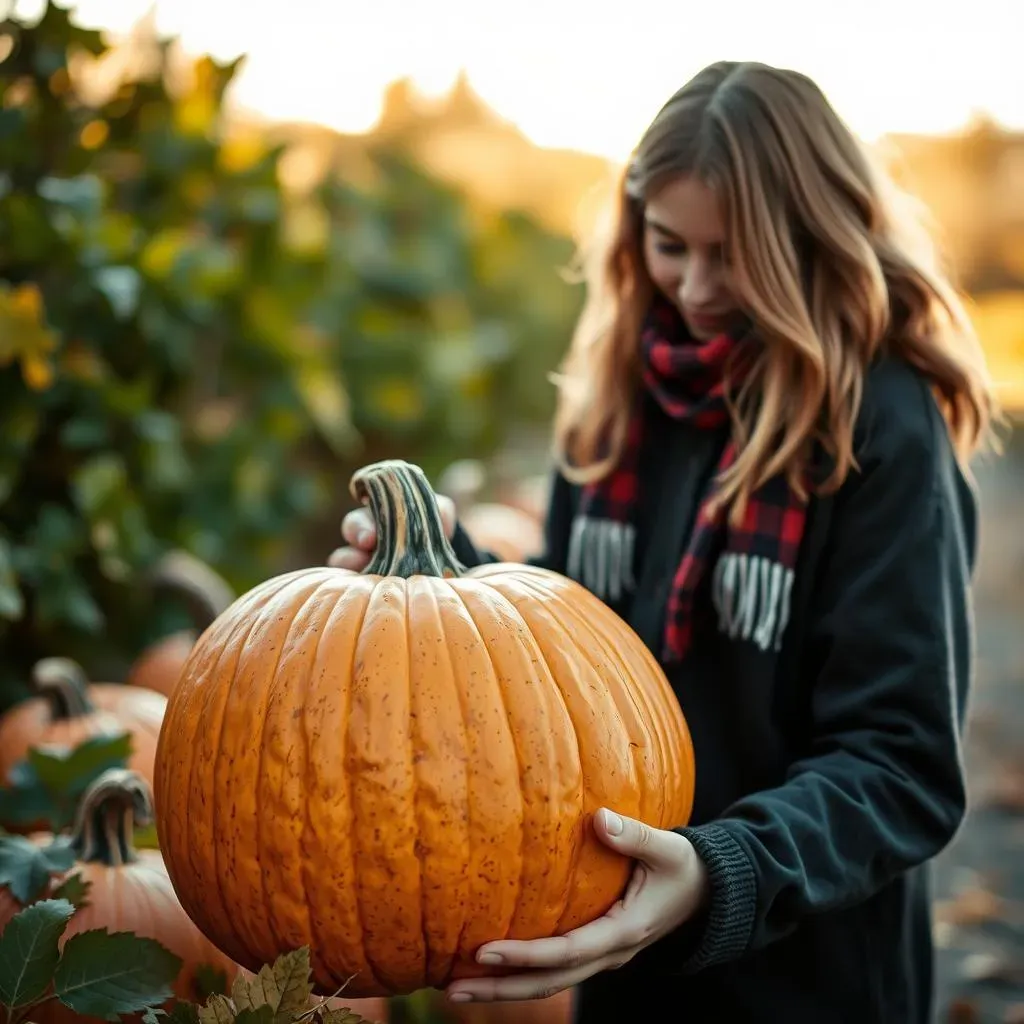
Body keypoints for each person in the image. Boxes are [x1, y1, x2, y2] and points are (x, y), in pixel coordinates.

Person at [329, 60, 998, 1024]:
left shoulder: (878, 426)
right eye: (669, 244)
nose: (695, 285)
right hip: (626, 968)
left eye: (734, 254)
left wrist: (716, 872)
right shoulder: (615, 403)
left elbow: (900, 765)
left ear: (810, 238)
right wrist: (451, 572)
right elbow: (568, 678)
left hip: (810, 980)